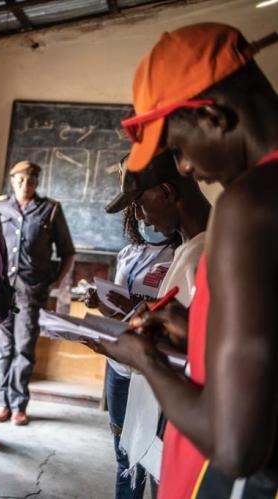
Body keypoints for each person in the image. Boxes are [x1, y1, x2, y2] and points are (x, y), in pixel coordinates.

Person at [99, 23, 278, 498]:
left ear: (215, 115)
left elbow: (234, 445)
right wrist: (199, 326)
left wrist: (146, 360)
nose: (184, 168)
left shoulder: (249, 204)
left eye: (177, 148)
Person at [98, 149, 211, 497]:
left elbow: (207, 357)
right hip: (170, 418)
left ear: (166, 192)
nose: (140, 218)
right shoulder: (189, 249)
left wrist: (142, 351)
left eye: (140, 203)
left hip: (186, 426)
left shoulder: (211, 254)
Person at [86, 199, 176, 499]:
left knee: (153, 457)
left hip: (154, 370)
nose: (141, 217)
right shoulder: (127, 253)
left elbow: (174, 318)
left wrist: (138, 308)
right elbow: (120, 314)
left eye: (143, 206)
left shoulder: (179, 255)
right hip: (120, 367)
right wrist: (101, 304)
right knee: (124, 453)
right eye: (134, 210)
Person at [0, 160, 75, 425]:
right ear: (12, 179)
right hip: (1, 289)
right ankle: (2, 402)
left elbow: (67, 252)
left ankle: (19, 405)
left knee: (24, 348)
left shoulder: (50, 210)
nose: (24, 184)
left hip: (31, 291)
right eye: (19, 179)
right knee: (3, 348)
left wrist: (54, 283)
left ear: (37, 182)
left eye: (30, 179)